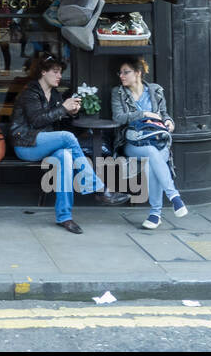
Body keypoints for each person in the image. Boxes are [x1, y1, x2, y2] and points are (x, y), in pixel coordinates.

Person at [10, 53, 129, 233]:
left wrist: (71, 113)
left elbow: (61, 126)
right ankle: (98, 188)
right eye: (55, 72)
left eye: (60, 72)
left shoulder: (56, 94)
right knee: (66, 138)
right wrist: (62, 108)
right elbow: (36, 121)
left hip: (47, 144)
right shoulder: (30, 93)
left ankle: (64, 217)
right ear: (43, 72)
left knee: (65, 157)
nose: (59, 76)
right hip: (26, 144)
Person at [112, 56, 187, 229]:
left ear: (138, 73)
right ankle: (173, 196)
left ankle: (155, 214)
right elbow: (118, 118)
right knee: (152, 154)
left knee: (150, 163)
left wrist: (170, 122)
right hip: (132, 143)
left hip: (156, 140)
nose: (121, 76)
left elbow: (164, 114)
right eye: (120, 72)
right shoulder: (118, 92)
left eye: (126, 72)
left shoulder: (155, 90)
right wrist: (144, 114)